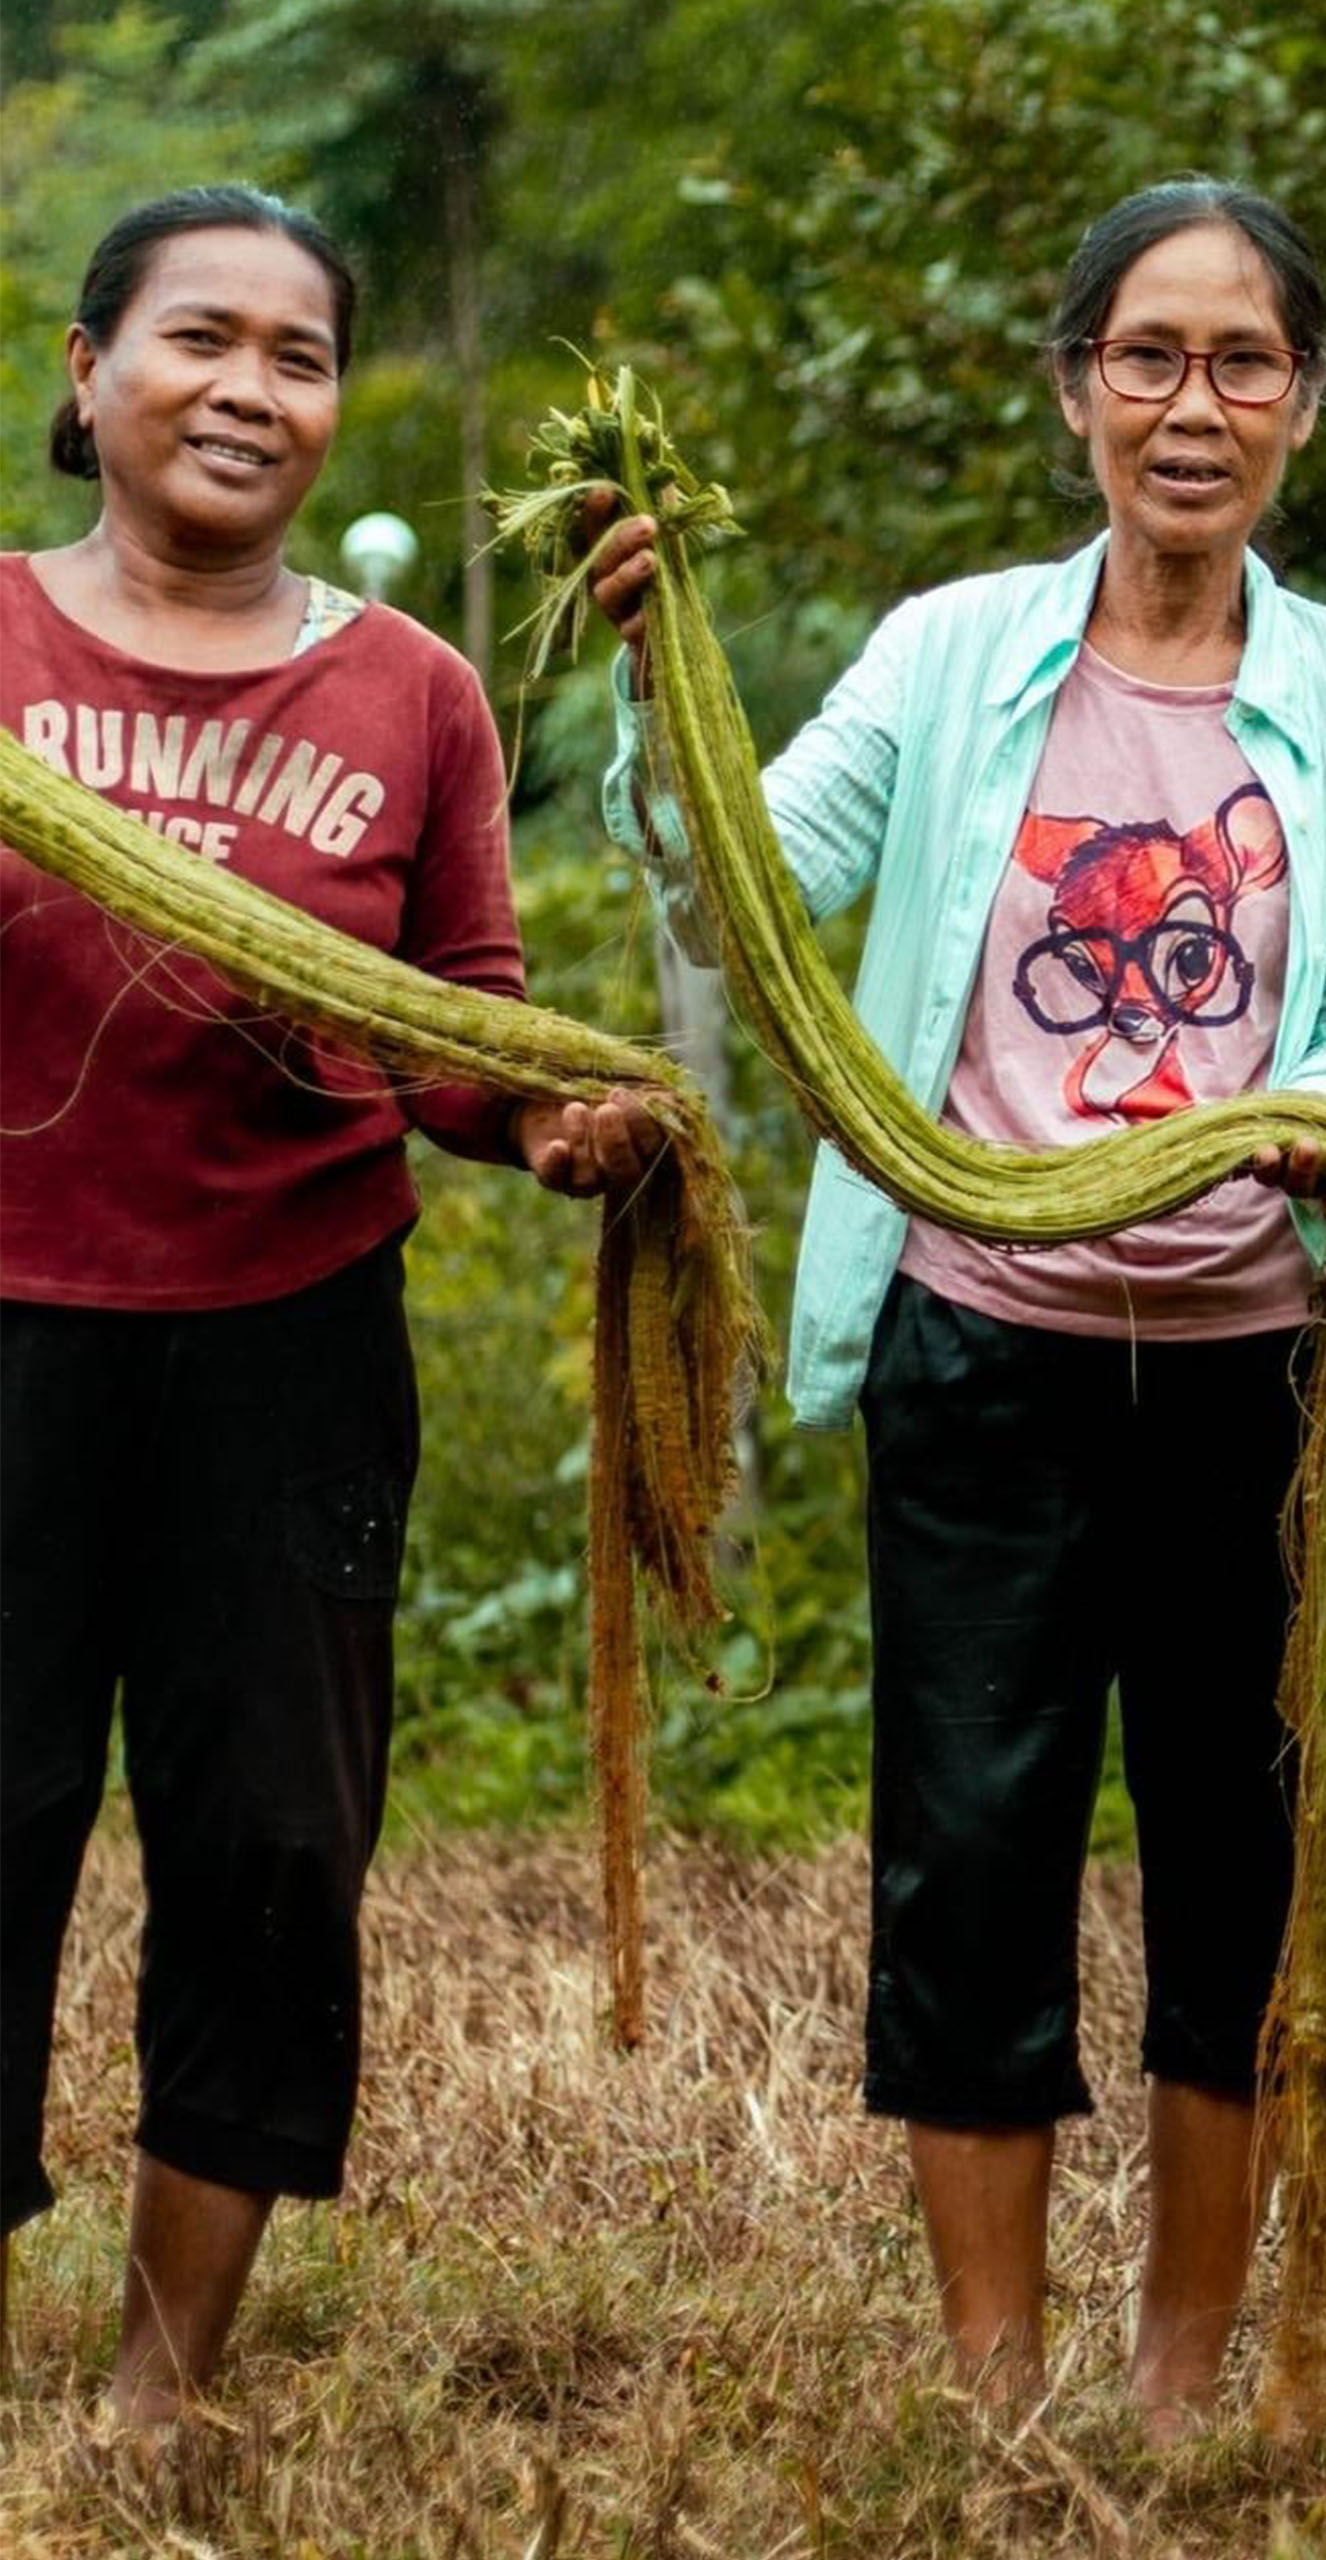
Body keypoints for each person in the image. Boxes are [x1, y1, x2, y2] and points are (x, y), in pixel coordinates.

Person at [585, 180, 1326, 2437]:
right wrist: (652, 678)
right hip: (983, 1344)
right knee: (970, 1843)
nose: (1191, 404)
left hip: (1256, 1355)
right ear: (1073, 388)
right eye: (1144, 356)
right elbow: (727, 880)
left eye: (1239, 360)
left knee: (1236, 1854)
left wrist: (1313, 1118)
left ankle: (1178, 2370)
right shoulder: (954, 650)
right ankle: (996, 2385)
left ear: (1301, 404)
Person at [0, 185, 659, 2426]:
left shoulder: (411, 692)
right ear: (87, 375)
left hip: (288, 1340)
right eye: (199, 336)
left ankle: (164, 2379)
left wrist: (554, 1124)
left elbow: (457, 1018)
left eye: (298, 354)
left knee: (275, 1847)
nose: (248, 387)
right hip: (4, 1324)